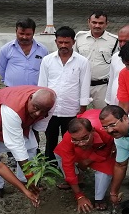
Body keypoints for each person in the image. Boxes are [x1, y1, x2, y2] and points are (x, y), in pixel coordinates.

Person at [0, 86, 56, 198]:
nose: (37, 113)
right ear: (30, 98)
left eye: (43, 111)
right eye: (36, 108)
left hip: (16, 120)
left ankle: (24, 180)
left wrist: (34, 141)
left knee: (31, 147)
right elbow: (16, 145)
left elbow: (38, 127)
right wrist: (29, 174)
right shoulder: (13, 109)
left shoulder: (50, 103)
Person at [38, 26, 91, 161]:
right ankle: (50, 164)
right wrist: (43, 107)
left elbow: (84, 85)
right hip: (51, 109)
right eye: (60, 42)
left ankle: (70, 164)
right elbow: (42, 84)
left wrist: (82, 108)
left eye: (67, 42)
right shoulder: (47, 60)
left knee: (71, 139)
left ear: (73, 42)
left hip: (71, 109)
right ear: (56, 42)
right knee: (50, 139)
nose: (63, 45)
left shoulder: (82, 62)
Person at [53, 116, 115, 212]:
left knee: (106, 167)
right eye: (76, 140)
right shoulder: (68, 138)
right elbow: (68, 165)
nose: (81, 143)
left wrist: (88, 160)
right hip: (81, 150)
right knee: (59, 152)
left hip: (100, 150)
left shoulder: (106, 132)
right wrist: (79, 196)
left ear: (92, 131)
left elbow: (107, 151)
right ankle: (77, 179)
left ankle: (99, 198)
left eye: (85, 138)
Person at [74, 11, 118, 109]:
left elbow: (117, 63)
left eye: (101, 23)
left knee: (103, 114)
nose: (97, 26)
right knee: (76, 113)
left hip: (102, 87)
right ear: (88, 22)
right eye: (94, 22)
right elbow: (74, 58)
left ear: (106, 24)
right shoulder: (79, 37)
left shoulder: (114, 40)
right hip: (80, 85)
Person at [0, 18, 49, 87]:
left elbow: (45, 70)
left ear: (33, 32)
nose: (24, 37)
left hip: (35, 90)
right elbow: (2, 70)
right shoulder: (6, 49)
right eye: (21, 34)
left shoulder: (43, 50)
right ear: (16, 31)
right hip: (12, 90)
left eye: (28, 34)